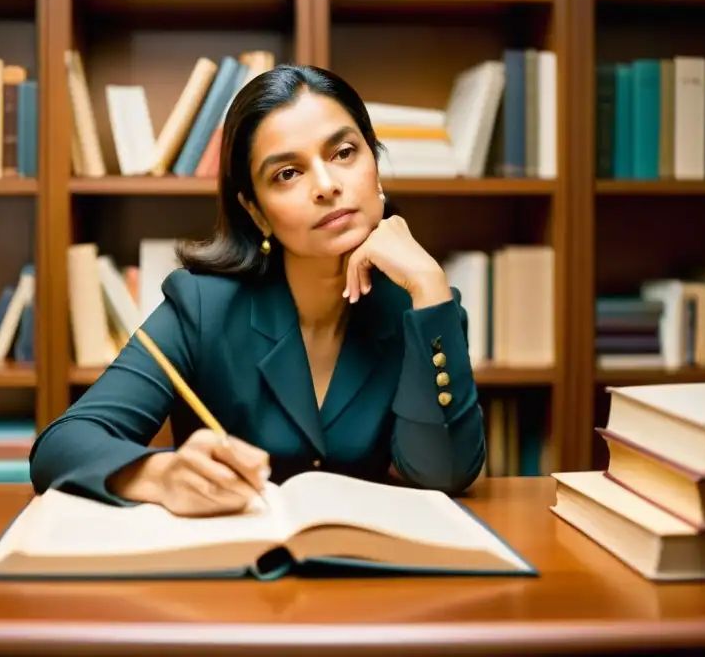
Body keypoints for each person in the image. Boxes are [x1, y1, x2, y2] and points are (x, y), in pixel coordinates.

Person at [29, 64, 486, 516]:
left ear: (375, 164)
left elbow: (442, 475)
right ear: (257, 212)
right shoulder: (201, 306)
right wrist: (160, 477)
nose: (326, 186)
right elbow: (60, 448)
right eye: (288, 173)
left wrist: (429, 287)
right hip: (233, 571)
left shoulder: (422, 308)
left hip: (364, 572)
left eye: (344, 152)